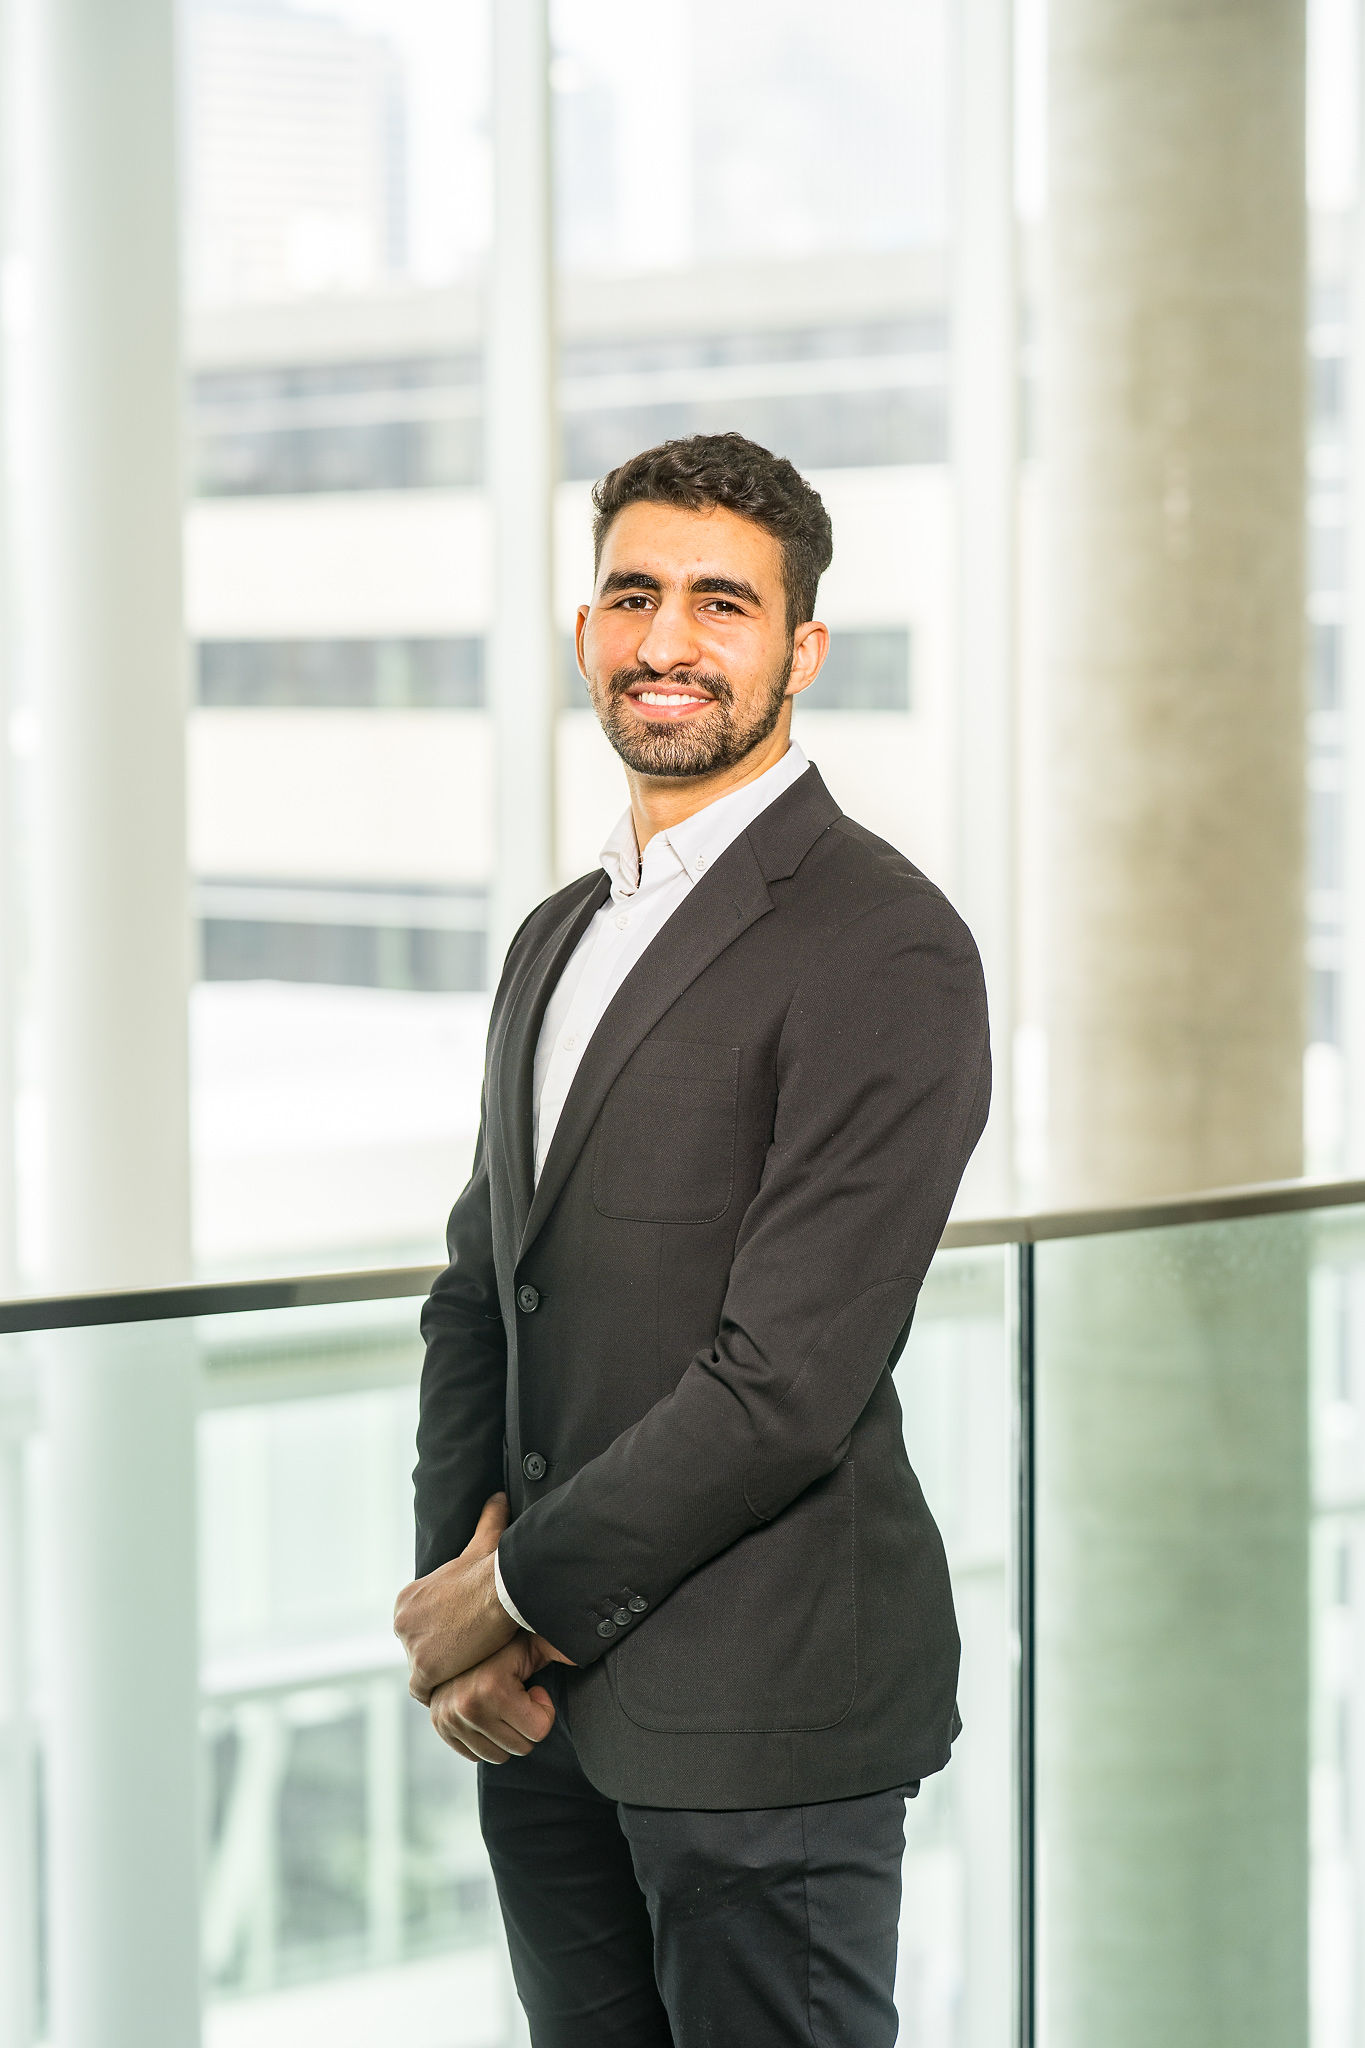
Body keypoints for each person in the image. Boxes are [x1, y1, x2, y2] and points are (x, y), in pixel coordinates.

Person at [394, 431, 990, 2046]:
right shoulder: (557, 934)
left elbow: (780, 1384)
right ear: (587, 626)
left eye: (720, 604)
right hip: (539, 1719)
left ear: (802, 649)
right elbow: (480, 1296)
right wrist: (461, 1614)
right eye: (631, 595)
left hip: (762, 1722)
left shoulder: (885, 943)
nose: (666, 640)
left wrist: (506, 1596)